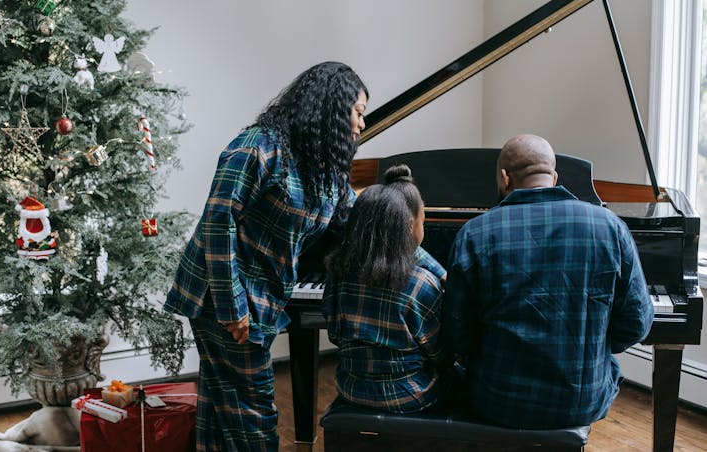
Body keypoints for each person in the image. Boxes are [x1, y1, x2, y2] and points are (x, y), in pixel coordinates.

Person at [163, 61, 369, 451]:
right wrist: (232, 307)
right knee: (255, 411)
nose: (361, 124)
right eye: (357, 112)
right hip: (220, 294)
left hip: (263, 294)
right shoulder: (258, 146)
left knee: (223, 405)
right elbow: (217, 222)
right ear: (330, 106)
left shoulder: (325, 168)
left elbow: (351, 222)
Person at [441, 133, 654, 429]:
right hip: (583, 402)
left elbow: (455, 335)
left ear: (504, 178)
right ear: (554, 177)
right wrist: (592, 347)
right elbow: (637, 322)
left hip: (497, 401)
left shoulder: (475, 233)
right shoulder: (610, 227)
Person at [322, 164, 447, 413]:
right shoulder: (421, 283)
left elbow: (335, 335)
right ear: (411, 225)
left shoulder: (338, 275)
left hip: (351, 388)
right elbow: (441, 353)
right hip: (408, 394)